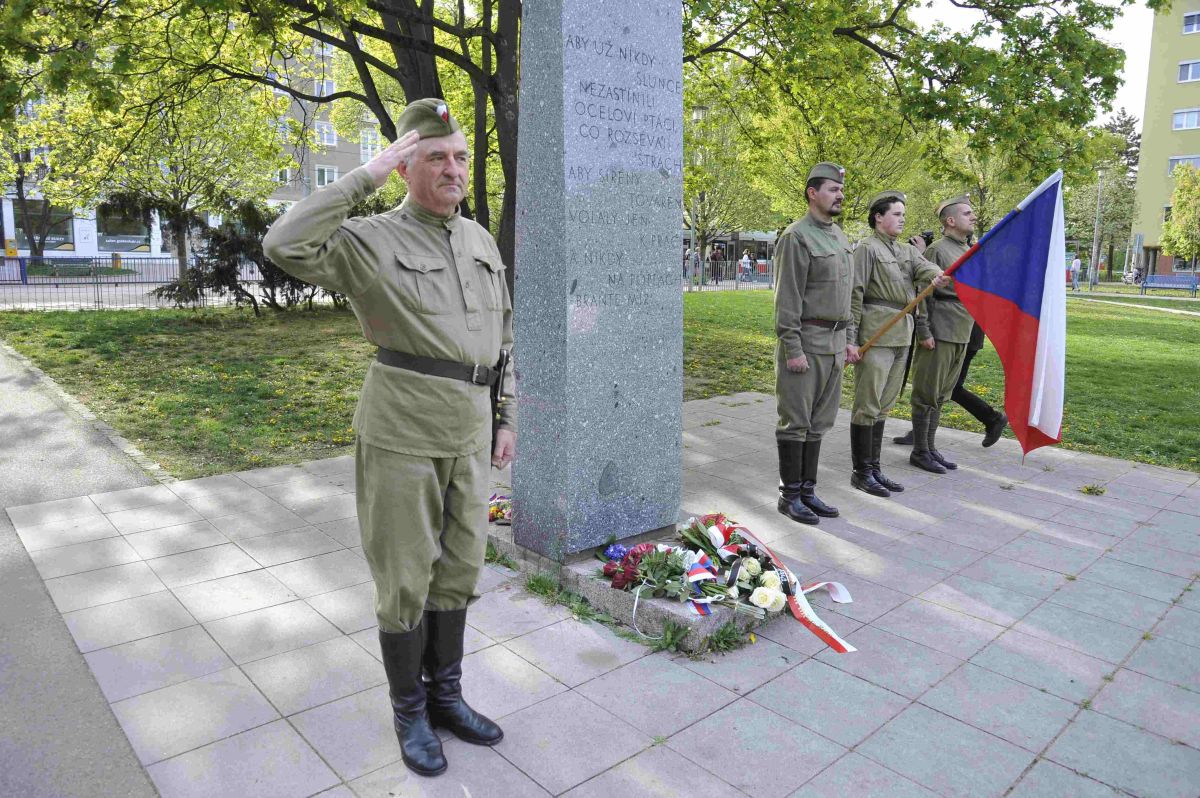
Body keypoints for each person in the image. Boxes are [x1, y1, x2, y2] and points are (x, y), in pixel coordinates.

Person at [262, 99, 513, 778]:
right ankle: (409, 712)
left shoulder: (479, 240)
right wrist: (362, 177)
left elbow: (502, 339)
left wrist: (507, 417)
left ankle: (446, 698)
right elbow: (284, 244)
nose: (453, 169)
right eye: (436, 158)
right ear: (405, 167)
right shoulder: (369, 240)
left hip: (471, 427)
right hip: (403, 427)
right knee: (404, 576)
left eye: (459, 157)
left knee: (460, 567)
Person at [846, 190, 947, 497]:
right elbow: (854, 294)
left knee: (884, 405)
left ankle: (874, 468)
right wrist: (851, 339)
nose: (903, 219)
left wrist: (938, 275)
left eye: (904, 214)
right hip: (876, 333)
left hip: (902, 334)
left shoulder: (906, 250)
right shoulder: (867, 249)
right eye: (896, 214)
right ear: (878, 217)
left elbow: (924, 267)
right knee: (868, 404)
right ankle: (861, 472)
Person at [773, 162, 854, 525]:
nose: (840, 195)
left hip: (834, 343)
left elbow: (848, 296)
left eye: (841, 190)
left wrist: (848, 340)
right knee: (796, 421)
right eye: (833, 189)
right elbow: (787, 298)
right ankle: (789, 496)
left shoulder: (839, 236)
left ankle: (807, 491)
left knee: (819, 422)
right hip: (806, 343)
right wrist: (792, 349)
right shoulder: (797, 237)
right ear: (812, 193)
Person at [908, 194, 1006, 472]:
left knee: (942, 394)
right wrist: (924, 330)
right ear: (950, 221)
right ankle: (920, 451)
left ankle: (930, 447)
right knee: (927, 393)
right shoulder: (937, 250)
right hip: (940, 330)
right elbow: (923, 292)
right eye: (966, 213)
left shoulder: (969, 250)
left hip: (963, 330)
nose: (973, 216)